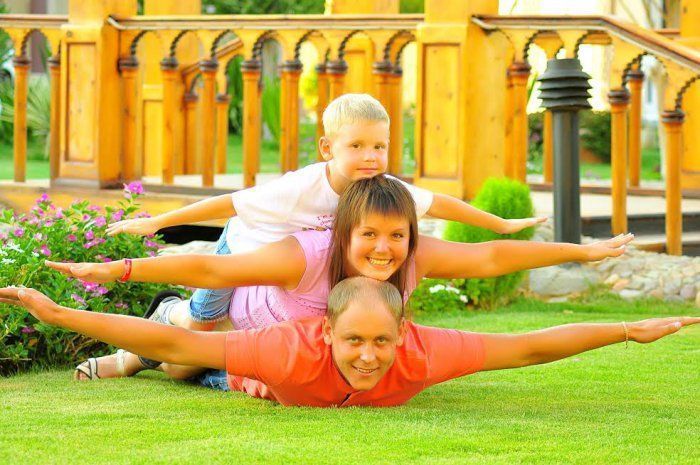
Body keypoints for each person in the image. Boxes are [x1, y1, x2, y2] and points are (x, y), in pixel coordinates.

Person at [48, 177, 633, 381]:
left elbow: (490, 258)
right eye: (369, 235)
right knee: (186, 347)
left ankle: (152, 351)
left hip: (293, 345)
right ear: (345, 232)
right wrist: (118, 267)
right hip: (239, 312)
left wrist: (581, 253)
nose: (384, 248)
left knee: (190, 371)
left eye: (397, 235)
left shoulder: (413, 255)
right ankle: (158, 323)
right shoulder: (306, 254)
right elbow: (211, 268)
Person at [104, 93, 545, 334]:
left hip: (282, 276)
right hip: (240, 251)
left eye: (379, 146)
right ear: (328, 148)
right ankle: (168, 310)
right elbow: (230, 204)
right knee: (201, 323)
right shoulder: (299, 188)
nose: (371, 156)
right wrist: (158, 222)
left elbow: (437, 203)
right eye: (357, 146)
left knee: (234, 336)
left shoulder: (380, 189)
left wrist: (499, 224)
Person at [1, 277, 696, 407]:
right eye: (354, 340)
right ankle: (172, 320)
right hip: (255, 369)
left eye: (382, 342)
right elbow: (167, 341)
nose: (369, 355)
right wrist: (60, 313)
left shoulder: (426, 351)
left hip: (289, 385)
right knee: (181, 356)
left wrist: (627, 329)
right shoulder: (285, 348)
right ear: (326, 332)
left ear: (404, 334)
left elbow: (530, 347)